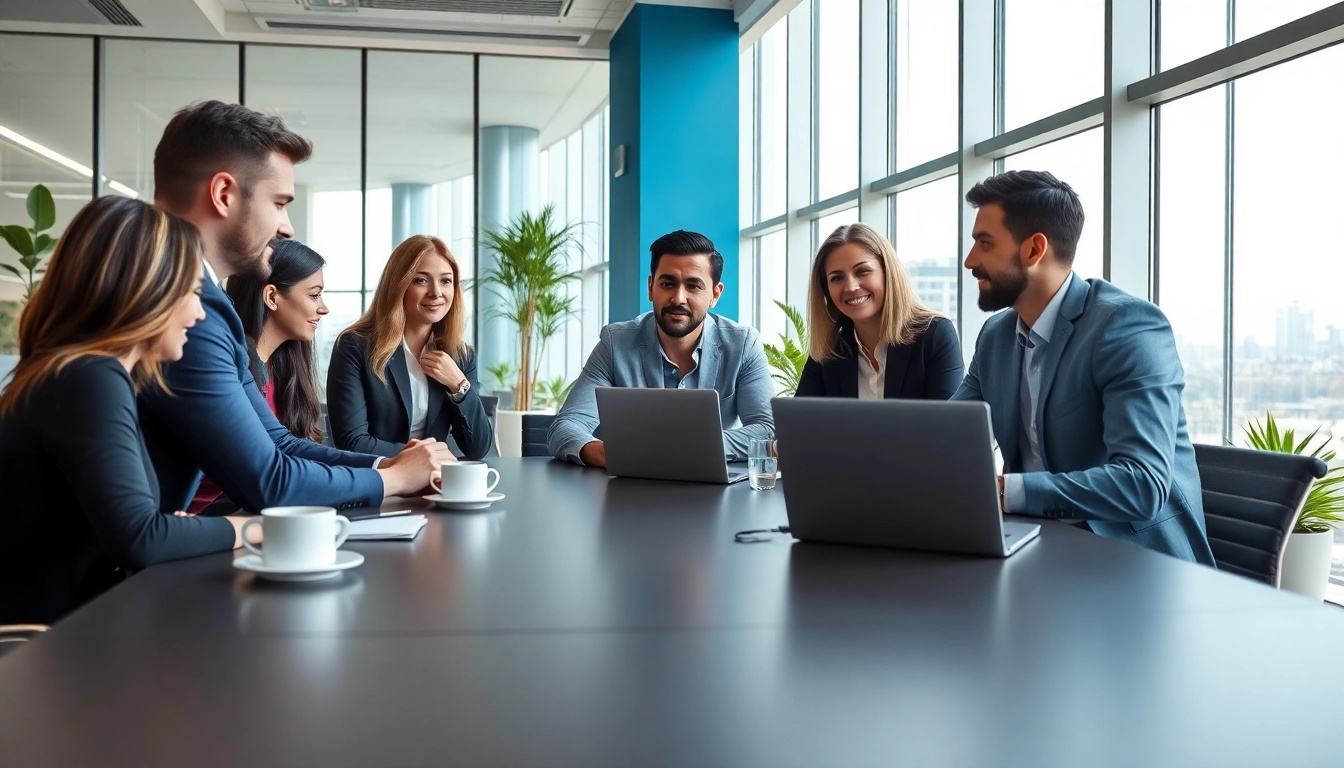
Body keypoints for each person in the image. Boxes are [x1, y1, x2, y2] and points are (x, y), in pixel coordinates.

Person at [140, 100, 447, 515]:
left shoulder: (208, 304)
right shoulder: (184, 312)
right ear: (224, 194)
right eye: (280, 203)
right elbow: (267, 479)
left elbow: (279, 442)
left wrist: (388, 464)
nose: (287, 227)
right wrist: (393, 478)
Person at [0, 196, 252, 624]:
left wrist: (169, 527)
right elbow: (143, 538)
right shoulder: (88, 377)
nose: (197, 312)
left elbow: (133, 527)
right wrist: (257, 528)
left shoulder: (78, 372)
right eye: (192, 292)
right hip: (48, 650)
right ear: (145, 289)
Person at [952, 170, 1215, 564]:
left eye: (984, 244)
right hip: (1036, 545)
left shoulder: (1128, 327)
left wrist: (1006, 491)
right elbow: (948, 433)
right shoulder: (996, 335)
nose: (970, 260)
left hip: (1135, 561)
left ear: (1033, 250)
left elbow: (1142, 486)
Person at [548, 230, 773, 467]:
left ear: (714, 295)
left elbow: (768, 429)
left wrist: (682, 447)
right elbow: (566, 426)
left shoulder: (743, 344)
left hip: (713, 491)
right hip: (628, 488)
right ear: (650, 287)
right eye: (668, 284)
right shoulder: (615, 344)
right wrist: (606, 453)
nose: (678, 298)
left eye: (693, 286)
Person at [326, 235, 493, 459]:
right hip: (378, 484)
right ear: (398, 285)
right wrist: (425, 456)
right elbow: (352, 442)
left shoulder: (460, 355)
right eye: (421, 280)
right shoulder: (354, 346)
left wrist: (459, 386)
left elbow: (478, 449)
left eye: (445, 281)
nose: (436, 292)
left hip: (435, 485)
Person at [797, 222, 964, 399]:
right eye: (837, 278)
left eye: (862, 271)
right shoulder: (830, 349)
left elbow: (947, 424)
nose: (851, 287)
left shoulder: (935, 335)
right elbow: (796, 422)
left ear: (888, 273)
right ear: (826, 291)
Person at [226, 238, 329, 440]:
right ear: (272, 298)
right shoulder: (233, 375)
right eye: (314, 295)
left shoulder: (285, 369)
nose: (324, 308)